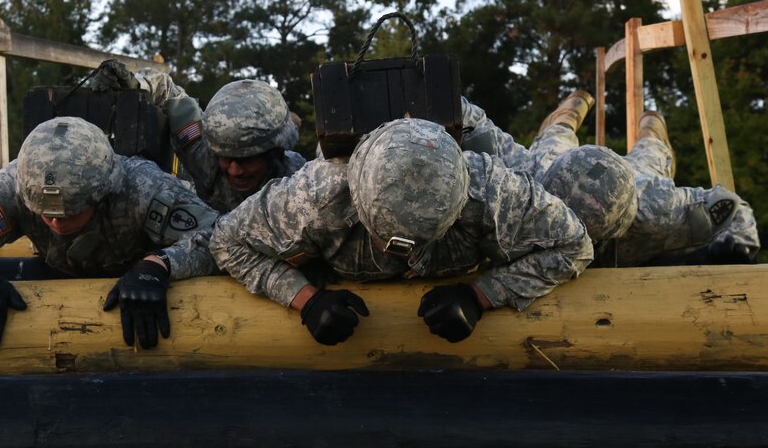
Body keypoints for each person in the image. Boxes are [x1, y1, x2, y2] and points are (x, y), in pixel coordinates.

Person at [209, 118, 593, 345]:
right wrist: (304, 298)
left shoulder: (493, 191)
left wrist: (483, 294)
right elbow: (226, 240)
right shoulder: (315, 195)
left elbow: (574, 246)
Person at [0, 116, 219, 355]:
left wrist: (159, 265)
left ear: (103, 194)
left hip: (138, 286)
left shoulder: (144, 188)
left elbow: (220, 237)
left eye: (70, 213)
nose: (56, 224)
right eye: (45, 214)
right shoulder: (13, 187)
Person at [490, 91, 761, 266]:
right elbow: (488, 135)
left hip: (636, 187)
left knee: (651, 152)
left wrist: (736, 247)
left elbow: (731, 207)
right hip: (565, 169)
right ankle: (568, 113)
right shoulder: (539, 179)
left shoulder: (655, 205)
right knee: (555, 138)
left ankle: (652, 125)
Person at [134, 71, 307, 212]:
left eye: (245, 159)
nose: (234, 170)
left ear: (275, 152)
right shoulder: (204, 158)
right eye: (225, 157)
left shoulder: (297, 185)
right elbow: (168, 91)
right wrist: (133, 83)